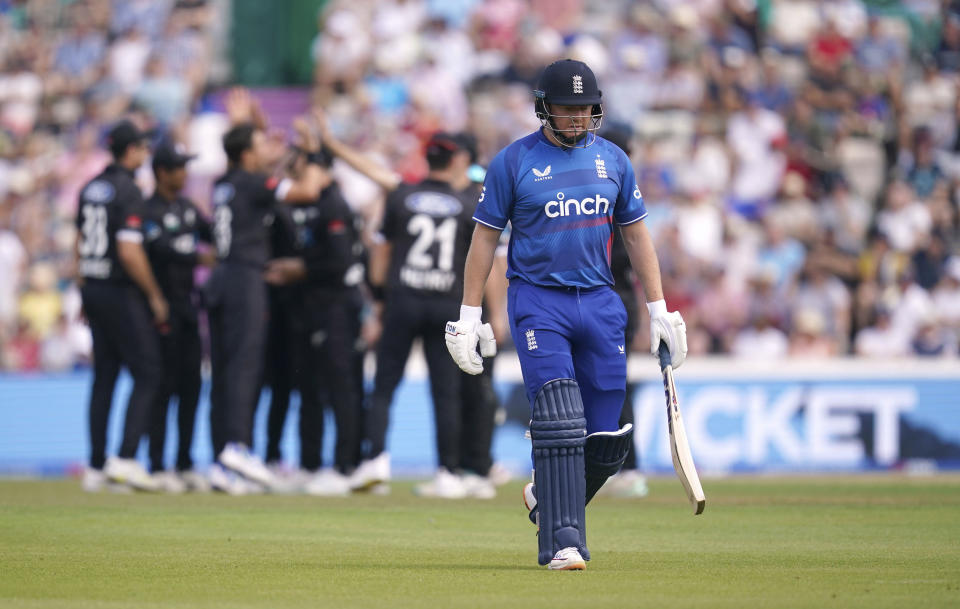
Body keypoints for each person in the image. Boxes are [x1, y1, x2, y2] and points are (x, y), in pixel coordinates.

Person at [445, 59, 687, 570]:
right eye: (566, 108)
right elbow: (484, 240)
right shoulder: (513, 162)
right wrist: (469, 314)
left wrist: (660, 307)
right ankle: (563, 541)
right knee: (559, 420)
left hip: (601, 303)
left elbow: (636, 234)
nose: (577, 118)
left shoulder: (615, 161)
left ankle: (549, 494)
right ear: (543, 108)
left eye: (585, 108)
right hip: (539, 300)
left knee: (608, 440)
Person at [205, 110, 327, 493]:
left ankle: (223, 460)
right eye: (260, 145)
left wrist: (289, 150)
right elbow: (307, 191)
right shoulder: (255, 182)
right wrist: (315, 154)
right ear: (245, 154)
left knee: (225, 371)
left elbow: (270, 175)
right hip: (244, 278)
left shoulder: (225, 183)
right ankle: (239, 448)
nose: (267, 151)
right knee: (244, 366)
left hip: (221, 277)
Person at [351, 133, 479, 498]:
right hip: (447, 302)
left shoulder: (402, 196)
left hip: (403, 300)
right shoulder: (468, 200)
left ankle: (374, 459)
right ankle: (448, 472)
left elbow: (380, 255)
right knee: (446, 391)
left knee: (385, 384)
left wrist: (377, 298)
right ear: (455, 161)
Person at [263, 148, 366, 495]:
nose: (299, 176)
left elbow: (338, 260)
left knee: (340, 386)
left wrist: (300, 269)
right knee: (308, 387)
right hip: (311, 306)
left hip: (337, 305)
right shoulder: (307, 204)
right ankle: (310, 463)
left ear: (320, 171)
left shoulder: (333, 204)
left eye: (305, 169)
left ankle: (346, 465)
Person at [77, 120, 168, 492]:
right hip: (118, 290)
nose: (146, 154)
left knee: (105, 377)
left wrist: (84, 288)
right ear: (129, 151)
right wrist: (154, 295)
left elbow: (80, 240)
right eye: (143, 148)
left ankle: (96, 465)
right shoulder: (128, 191)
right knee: (149, 372)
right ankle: (126, 459)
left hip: (93, 286)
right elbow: (129, 252)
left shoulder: (90, 187)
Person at [142, 140, 214, 493]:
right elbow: (160, 249)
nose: (185, 174)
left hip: (187, 309)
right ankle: (156, 465)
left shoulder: (188, 208)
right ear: (162, 172)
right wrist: (198, 258)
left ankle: (184, 462)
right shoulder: (147, 210)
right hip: (159, 311)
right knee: (161, 388)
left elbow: (213, 234)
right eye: (179, 167)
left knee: (191, 387)